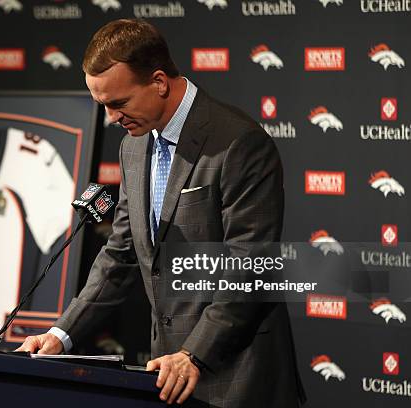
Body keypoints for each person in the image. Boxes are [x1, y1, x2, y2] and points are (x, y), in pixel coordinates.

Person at [17, 19, 305, 407]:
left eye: (118, 103)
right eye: (102, 105)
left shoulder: (238, 143)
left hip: (240, 376)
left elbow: (248, 266)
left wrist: (194, 355)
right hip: (168, 374)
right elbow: (120, 253)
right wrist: (60, 335)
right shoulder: (133, 147)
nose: (111, 117)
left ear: (159, 82)